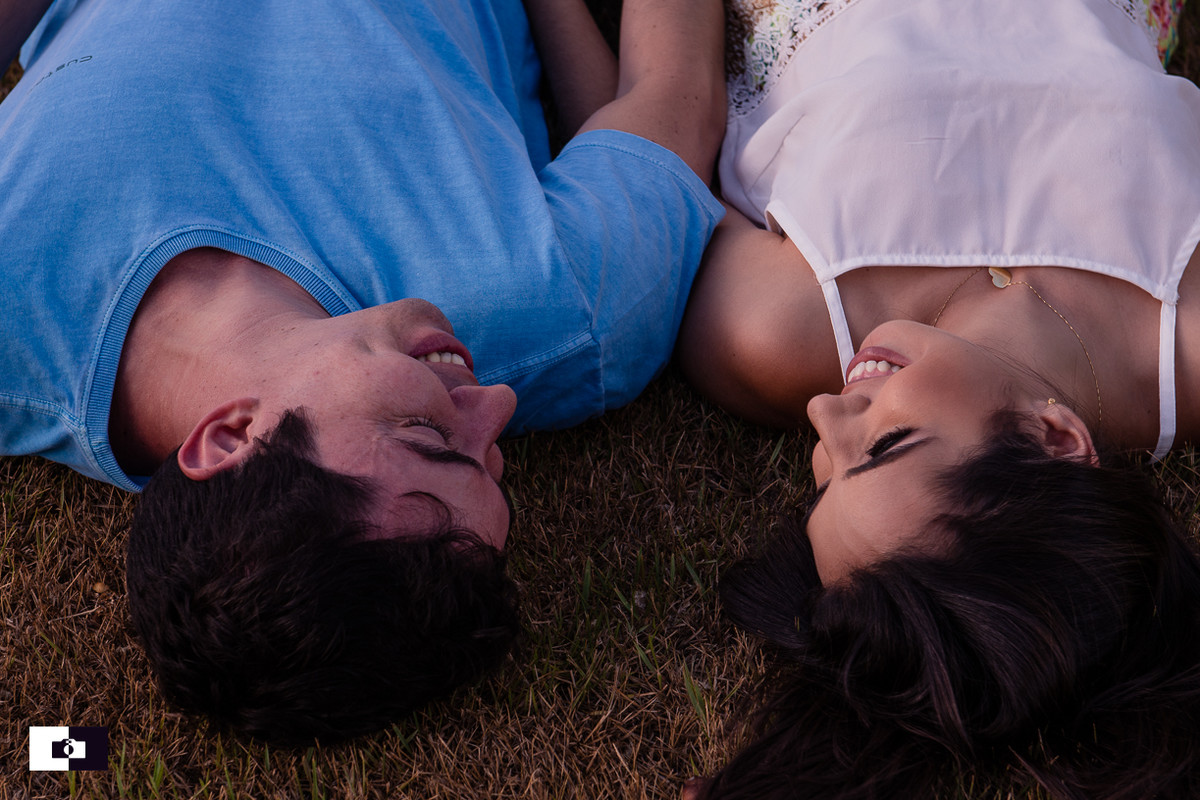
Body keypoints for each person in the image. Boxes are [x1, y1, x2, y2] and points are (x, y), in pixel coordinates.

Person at [0, 0, 725, 743]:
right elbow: (675, 96)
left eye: (424, 436)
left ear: (230, 438)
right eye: (491, 464)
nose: (496, 405)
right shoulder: (560, 307)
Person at [677, 0, 1200, 796]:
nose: (825, 416)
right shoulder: (1186, 334)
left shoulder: (770, 330)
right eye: (886, 446)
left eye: (824, 476)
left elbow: (645, 147)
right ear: (1055, 439)